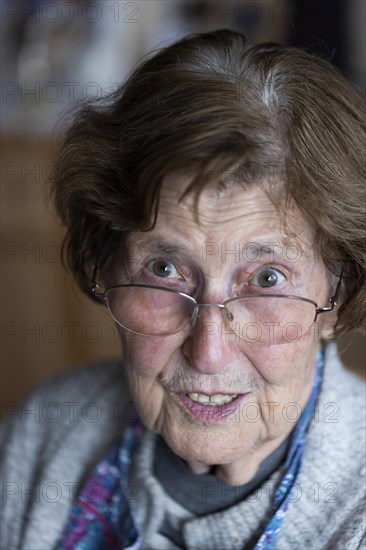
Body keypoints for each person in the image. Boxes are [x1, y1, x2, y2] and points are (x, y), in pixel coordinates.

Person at [1, 29, 365, 550]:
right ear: (107, 267)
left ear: (339, 294)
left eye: (267, 279)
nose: (209, 353)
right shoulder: (47, 433)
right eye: (165, 270)